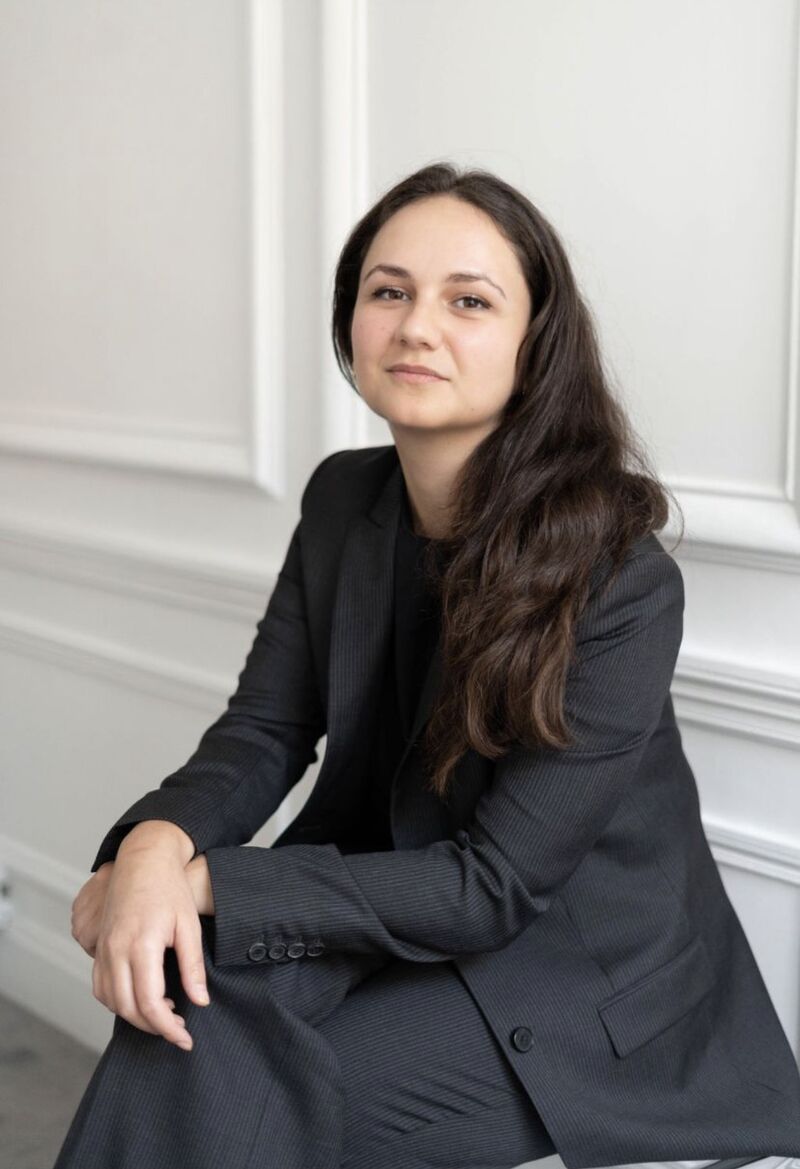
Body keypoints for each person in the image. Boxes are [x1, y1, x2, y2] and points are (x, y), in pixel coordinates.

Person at [54, 163, 800, 1169]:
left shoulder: (619, 577)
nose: (415, 326)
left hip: (568, 981)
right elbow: (265, 729)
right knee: (188, 1013)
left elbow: (495, 884)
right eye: (388, 290)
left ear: (536, 345)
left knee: (222, 1084)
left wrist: (200, 883)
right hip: (392, 905)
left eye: (468, 301)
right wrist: (151, 846)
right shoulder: (342, 500)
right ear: (350, 319)